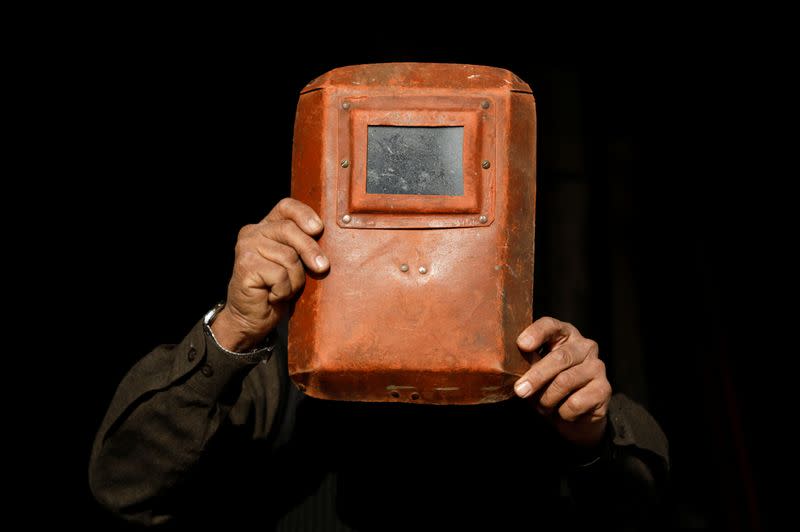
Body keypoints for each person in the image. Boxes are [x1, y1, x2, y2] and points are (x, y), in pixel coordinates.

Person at [89, 198, 669, 530]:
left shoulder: (525, 362)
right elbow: (126, 484)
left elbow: (641, 508)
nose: (413, 258)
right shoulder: (289, 365)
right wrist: (234, 333)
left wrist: (591, 437)